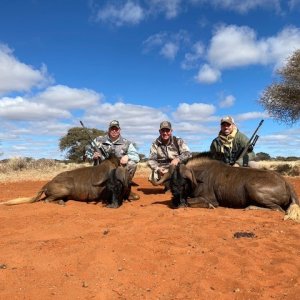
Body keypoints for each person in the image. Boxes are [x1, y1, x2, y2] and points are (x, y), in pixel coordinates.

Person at [85, 120, 140, 200]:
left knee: (132, 164)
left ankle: (125, 190)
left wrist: (127, 156)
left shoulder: (126, 143)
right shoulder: (98, 140)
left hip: (118, 171)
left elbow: (136, 157)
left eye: (116, 129)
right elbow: (87, 153)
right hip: (101, 170)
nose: (114, 131)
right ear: (109, 130)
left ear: (119, 130)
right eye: (112, 129)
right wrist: (93, 156)